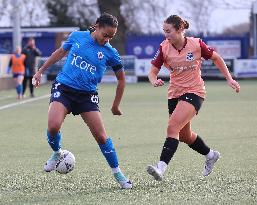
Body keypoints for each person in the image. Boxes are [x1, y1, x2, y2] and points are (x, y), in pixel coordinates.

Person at [32, 13, 132, 189]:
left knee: (101, 136)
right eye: (105, 34)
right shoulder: (77, 36)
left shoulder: (111, 53)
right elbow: (60, 52)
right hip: (64, 88)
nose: (107, 39)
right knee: (53, 126)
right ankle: (57, 153)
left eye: (111, 37)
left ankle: (118, 174)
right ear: (97, 26)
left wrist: (116, 105)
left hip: (87, 96)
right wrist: (40, 71)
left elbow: (122, 80)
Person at [146, 15, 240, 181]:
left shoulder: (196, 44)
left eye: (169, 31)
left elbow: (216, 58)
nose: (166, 35)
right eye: (164, 31)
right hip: (174, 94)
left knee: (172, 127)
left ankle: (161, 168)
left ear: (180, 29)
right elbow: (152, 71)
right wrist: (154, 80)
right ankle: (211, 155)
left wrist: (229, 78)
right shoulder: (164, 48)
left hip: (195, 92)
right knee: (184, 136)